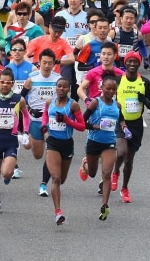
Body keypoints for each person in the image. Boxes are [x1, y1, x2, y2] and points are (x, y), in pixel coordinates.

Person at [112, 51, 150, 203]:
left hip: (136, 124)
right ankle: (115, 172)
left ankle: (124, 188)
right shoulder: (118, 81)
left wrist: (144, 100)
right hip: (121, 121)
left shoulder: (144, 82)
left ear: (139, 64)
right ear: (125, 63)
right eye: (129, 61)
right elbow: (109, 100)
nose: (132, 64)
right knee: (121, 152)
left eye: (135, 61)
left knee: (129, 160)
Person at [0, 68, 27, 215]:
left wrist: (26, 132)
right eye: (2, 82)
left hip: (11, 140)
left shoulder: (19, 99)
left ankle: (8, 176)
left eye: (8, 83)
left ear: (12, 84)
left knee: (6, 173)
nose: (5, 85)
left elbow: (26, 116)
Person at [41, 77, 85, 225]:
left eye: (64, 87)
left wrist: (67, 120)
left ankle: (83, 166)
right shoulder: (50, 102)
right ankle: (58, 212)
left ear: (68, 89)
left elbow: (82, 126)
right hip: (52, 143)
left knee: (62, 180)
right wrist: (44, 127)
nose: (61, 89)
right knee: (56, 178)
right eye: (59, 86)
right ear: (56, 87)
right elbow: (45, 115)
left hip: (67, 144)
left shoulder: (73, 105)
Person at [78, 71, 120, 220]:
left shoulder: (117, 105)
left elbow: (120, 120)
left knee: (107, 174)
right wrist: (97, 127)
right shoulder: (95, 102)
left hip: (109, 143)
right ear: (102, 87)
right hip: (94, 142)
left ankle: (105, 206)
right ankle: (85, 165)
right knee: (92, 173)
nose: (111, 91)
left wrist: (125, 128)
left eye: (113, 89)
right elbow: (82, 123)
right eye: (108, 88)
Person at [21, 49, 62, 196]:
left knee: (50, 151)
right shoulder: (31, 79)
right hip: (35, 119)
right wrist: (24, 113)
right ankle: (29, 138)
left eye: (50, 63)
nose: (46, 66)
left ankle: (43, 183)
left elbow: (64, 99)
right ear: (39, 63)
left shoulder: (58, 80)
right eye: (44, 62)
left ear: (54, 64)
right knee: (38, 155)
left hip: (52, 121)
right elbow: (21, 98)